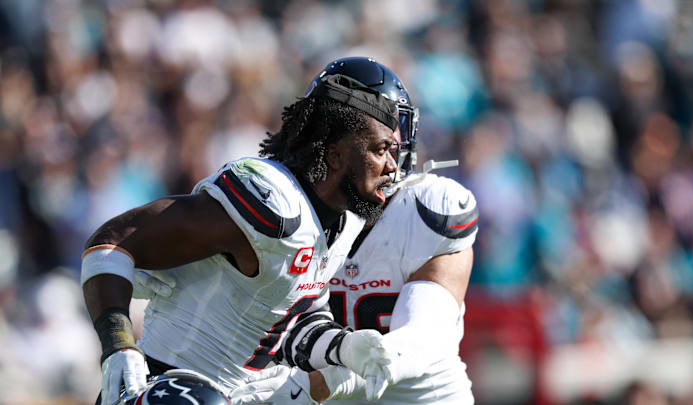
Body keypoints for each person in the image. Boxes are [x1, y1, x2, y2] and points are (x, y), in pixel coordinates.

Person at [138, 57, 479, 404]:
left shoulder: (429, 209)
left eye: (391, 138)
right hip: (315, 388)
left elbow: (424, 338)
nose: (390, 155)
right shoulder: (288, 214)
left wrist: (332, 375)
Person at [81, 69, 402, 405]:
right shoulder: (273, 206)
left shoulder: (345, 220)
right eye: (381, 150)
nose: (392, 166)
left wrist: (343, 348)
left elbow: (287, 319)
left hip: (238, 393)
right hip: (167, 387)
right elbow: (114, 241)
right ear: (336, 155)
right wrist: (117, 344)